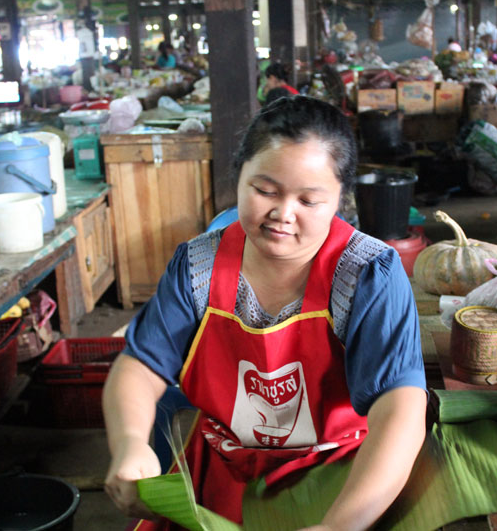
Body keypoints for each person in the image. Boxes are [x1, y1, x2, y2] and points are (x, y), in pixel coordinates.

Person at [103, 96, 427, 530]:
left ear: (339, 200)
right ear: (239, 177)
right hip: (221, 476)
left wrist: (339, 526)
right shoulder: (198, 266)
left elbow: (400, 408)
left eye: (309, 201)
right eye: (265, 191)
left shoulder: (368, 275)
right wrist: (129, 443)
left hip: (340, 481)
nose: (282, 214)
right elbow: (140, 366)